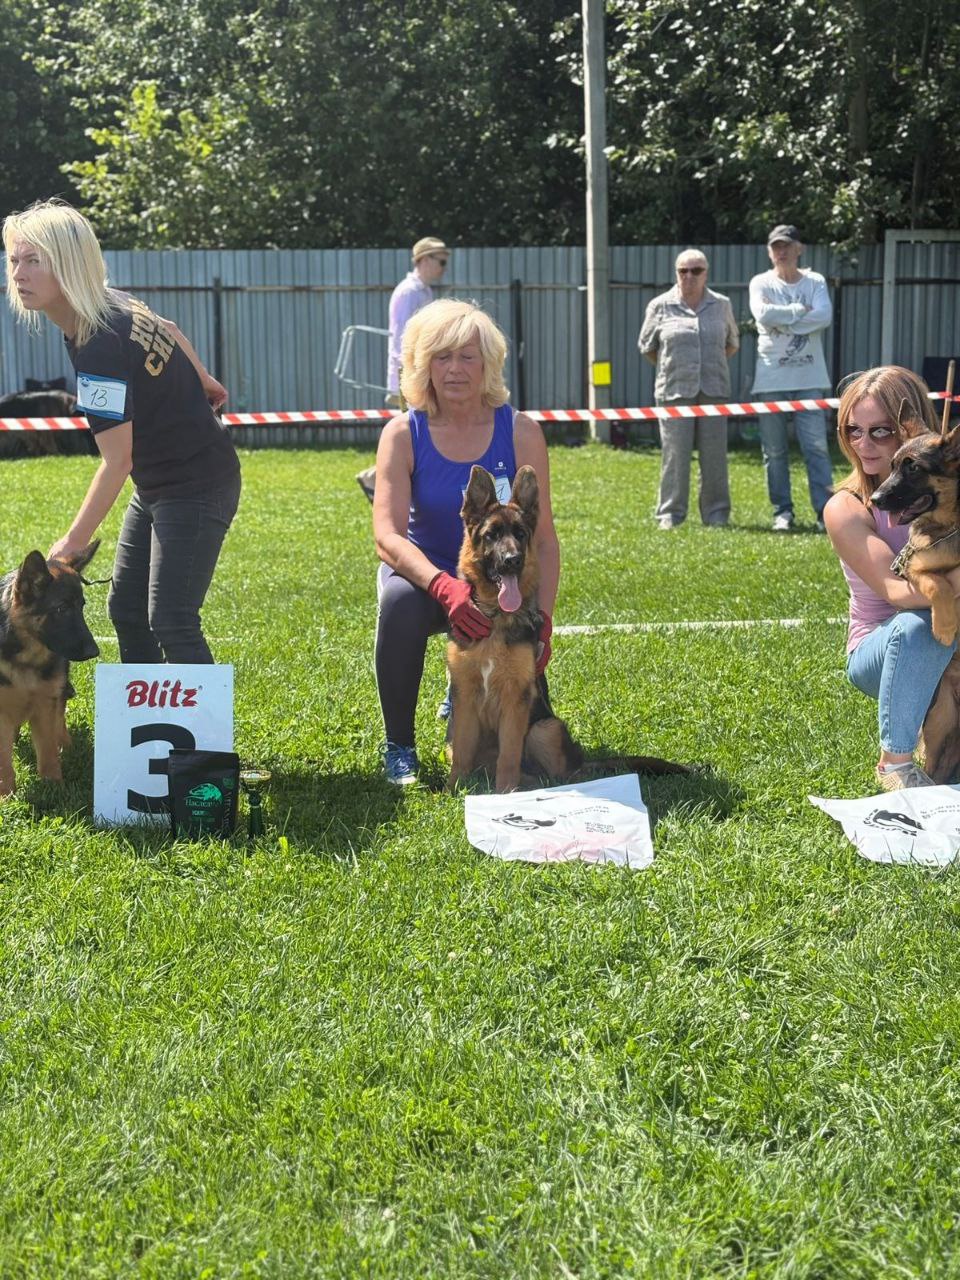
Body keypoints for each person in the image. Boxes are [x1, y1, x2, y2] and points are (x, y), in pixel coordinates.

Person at [3, 199, 240, 663]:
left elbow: (117, 461)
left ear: (69, 264)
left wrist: (71, 543)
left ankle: (203, 740)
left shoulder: (98, 345)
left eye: (34, 261)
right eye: (14, 260)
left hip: (196, 485)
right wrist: (205, 378)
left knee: (172, 619)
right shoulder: (111, 301)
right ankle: (146, 728)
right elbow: (168, 328)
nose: (18, 273)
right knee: (127, 610)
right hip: (158, 484)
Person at [372, 299, 559, 785]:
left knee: (529, 725)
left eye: (468, 356)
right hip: (426, 577)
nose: (455, 369)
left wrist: (545, 622)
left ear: (489, 364)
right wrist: (444, 587)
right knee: (397, 604)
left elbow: (543, 539)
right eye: (441, 356)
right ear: (422, 364)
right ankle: (400, 747)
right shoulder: (402, 432)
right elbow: (387, 535)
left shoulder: (520, 431)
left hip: (502, 586)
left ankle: (470, 691)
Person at [822, 365, 960, 790]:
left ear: (909, 429)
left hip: (947, 637)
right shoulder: (846, 508)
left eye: (880, 431)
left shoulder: (940, 493)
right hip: (881, 648)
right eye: (853, 430)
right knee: (921, 624)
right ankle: (896, 766)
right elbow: (898, 591)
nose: (864, 444)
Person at [638, 249, 739, 529]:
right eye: (684, 271)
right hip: (674, 391)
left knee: (715, 455)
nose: (689, 276)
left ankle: (717, 513)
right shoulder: (660, 305)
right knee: (675, 456)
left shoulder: (722, 304)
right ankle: (670, 514)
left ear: (706, 273)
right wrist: (677, 367)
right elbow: (647, 347)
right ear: (676, 273)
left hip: (714, 389)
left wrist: (705, 365)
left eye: (696, 270)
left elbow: (731, 343)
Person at [750, 225, 834, 532]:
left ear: (800, 248)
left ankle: (825, 513)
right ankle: (782, 512)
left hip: (810, 378)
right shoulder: (760, 282)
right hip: (770, 380)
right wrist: (801, 312)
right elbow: (762, 315)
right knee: (774, 451)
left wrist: (784, 321)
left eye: (786, 245)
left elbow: (823, 316)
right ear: (768, 251)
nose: (781, 252)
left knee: (817, 447)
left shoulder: (815, 281)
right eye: (775, 246)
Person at [356, 236, 450, 502]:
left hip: (419, 373)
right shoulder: (408, 292)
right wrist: (411, 376)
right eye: (440, 261)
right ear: (423, 260)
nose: (444, 267)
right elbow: (401, 338)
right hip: (409, 374)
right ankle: (377, 479)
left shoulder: (425, 292)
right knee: (414, 433)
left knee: (419, 432)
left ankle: (379, 479)